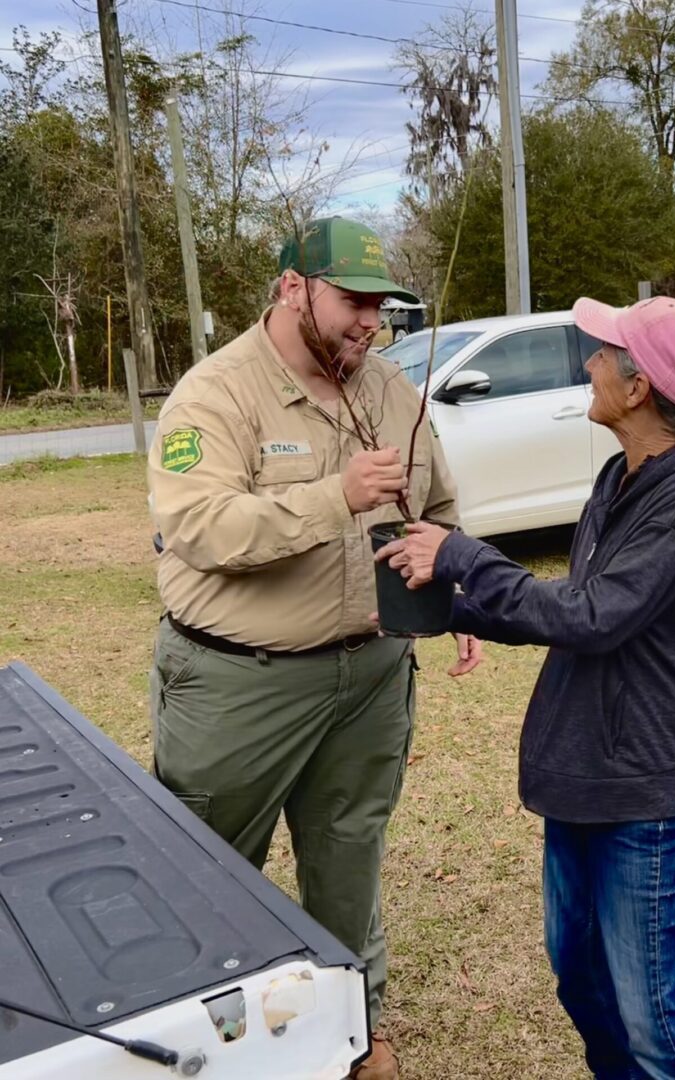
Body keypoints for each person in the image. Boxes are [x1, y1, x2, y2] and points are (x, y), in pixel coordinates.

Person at [148, 215, 481, 1080]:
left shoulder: (389, 389)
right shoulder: (215, 394)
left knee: (348, 856)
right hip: (238, 685)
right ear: (293, 288)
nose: (370, 322)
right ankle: (210, 1048)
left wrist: (453, 588)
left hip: (369, 677)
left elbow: (436, 508)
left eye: (380, 306)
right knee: (212, 872)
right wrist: (335, 495)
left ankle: (350, 1031)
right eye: (352, 301)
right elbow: (199, 527)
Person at [376, 296, 675, 1080]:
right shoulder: (620, 475)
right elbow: (573, 608)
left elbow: (595, 615)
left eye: (603, 354)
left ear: (638, 388)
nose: (589, 363)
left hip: (638, 782)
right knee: (582, 979)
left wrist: (463, 554)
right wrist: (448, 610)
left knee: (651, 1018)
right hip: (580, 767)